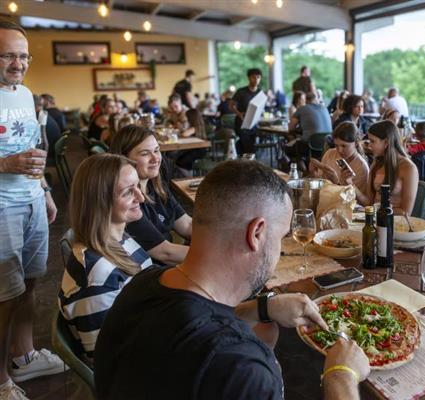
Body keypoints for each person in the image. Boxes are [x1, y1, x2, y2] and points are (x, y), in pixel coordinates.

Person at [94, 160, 370, 400]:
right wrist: (340, 376)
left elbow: (194, 320)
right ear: (256, 233)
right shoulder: (240, 366)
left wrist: (260, 308)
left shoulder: (142, 284)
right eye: (281, 236)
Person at [0, 20, 63, 400]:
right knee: (5, 295)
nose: (18, 63)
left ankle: (23, 356)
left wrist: (46, 191)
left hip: (32, 201)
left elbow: (32, 151)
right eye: (8, 55)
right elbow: (13, 159)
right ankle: (1, 381)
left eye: (23, 56)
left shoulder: (24, 94)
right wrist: (6, 165)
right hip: (2, 208)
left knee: (31, 283)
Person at [59, 154, 152, 360]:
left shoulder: (120, 238)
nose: (141, 197)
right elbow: (106, 358)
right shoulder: (97, 278)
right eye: (128, 192)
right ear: (99, 201)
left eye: (138, 186)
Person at [110, 126, 191, 266]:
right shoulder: (127, 201)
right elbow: (165, 253)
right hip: (151, 271)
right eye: (145, 153)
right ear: (123, 159)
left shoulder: (156, 187)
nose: (155, 158)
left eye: (156, 150)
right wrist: (214, 255)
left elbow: (187, 225)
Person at [353, 120, 418, 215]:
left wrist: (376, 210)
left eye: (372, 141)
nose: (369, 145)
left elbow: (406, 212)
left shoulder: (409, 168)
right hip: (376, 217)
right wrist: (351, 185)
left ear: (386, 142)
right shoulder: (377, 164)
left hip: (395, 220)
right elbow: (369, 202)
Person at [309, 122, 369, 194]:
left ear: (356, 143)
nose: (340, 150)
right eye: (336, 146)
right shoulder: (329, 154)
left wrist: (336, 181)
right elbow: (320, 185)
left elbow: (354, 198)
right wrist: (313, 174)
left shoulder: (362, 167)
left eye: (344, 146)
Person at [286, 92, 332, 160]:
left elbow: (291, 127)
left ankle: (301, 164)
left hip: (309, 145)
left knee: (287, 148)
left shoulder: (302, 108)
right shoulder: (324, 108)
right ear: (316, 99)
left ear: (305, 100)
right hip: (327, 145)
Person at [231, 68, 263, 154]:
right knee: (246, 147)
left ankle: (249, 160)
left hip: (254, 123)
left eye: (258, 77)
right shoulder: (241, 91)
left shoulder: (260, 92)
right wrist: (239, 113)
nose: (256, 79)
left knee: (253, 147)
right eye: (253, 77)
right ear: (249, 78)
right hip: (242, 122)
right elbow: (231, 105)